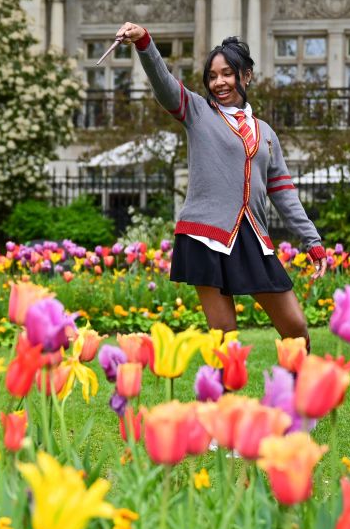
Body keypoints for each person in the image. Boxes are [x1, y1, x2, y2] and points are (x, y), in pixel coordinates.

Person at [116, 22, 327, 348]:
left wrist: (312, 241)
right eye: (212, 76)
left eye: (227, 73)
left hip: (253, 237)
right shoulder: (198, 112)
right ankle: (224, 399)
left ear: (247, 75)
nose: (219, 82)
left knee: (296, 328)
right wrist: (144, 41)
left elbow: (284, 194)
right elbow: (163, 83)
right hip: (205, 235)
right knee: (225, 337)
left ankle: (298, 395)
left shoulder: (266, 133)